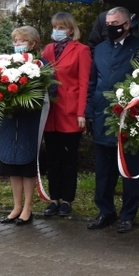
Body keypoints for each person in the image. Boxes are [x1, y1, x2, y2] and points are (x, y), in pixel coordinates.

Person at [86, 7, 139, 233]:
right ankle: (105, 211)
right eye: (107, 22)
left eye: (114, 23)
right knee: (104, 171)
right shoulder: (100, 49)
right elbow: (92, 82)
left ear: (126, 25)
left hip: (129, 118)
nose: (109, 27)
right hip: (102, 115)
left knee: (130, 170)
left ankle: (128, 214)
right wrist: (88, 111)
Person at [40, 12, 91, 219]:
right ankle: (54, 198)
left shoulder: (82, 50)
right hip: (50, 112)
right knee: (52, 159)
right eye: (55, 27)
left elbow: (84, 82)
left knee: (68, 159)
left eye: (61, 27)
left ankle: (67, 200)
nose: (57, 31)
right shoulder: (48, 49)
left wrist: (82, 112)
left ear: (70, 29)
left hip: (70, 113)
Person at [0, 26, 46, 226]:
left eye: (21, 41)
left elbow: (44, 93)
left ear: (32, 43)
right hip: (10, 121)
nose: (17, 44)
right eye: (15, 40)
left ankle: (28, 207)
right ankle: (16, 206)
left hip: (29, 121)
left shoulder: (41, 64)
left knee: (27, 166)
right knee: (12, 164)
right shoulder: (7, 63)